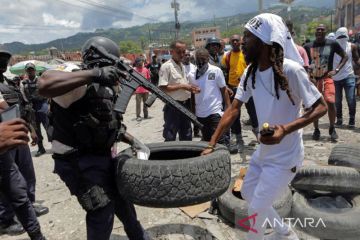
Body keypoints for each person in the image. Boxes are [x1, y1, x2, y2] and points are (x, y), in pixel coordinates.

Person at [202, 13, 327, 240]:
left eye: (248, 37)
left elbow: (321, 107)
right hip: (263, 152)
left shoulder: (291, 70)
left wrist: (285, 129)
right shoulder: (250, 73)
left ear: (264, 41)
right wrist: (211, 143)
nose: (242, 41)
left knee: (254, 212)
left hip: (286, 158)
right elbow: (232, 109)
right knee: (248, 192)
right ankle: (284, 232)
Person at [37, 36, 148, 240]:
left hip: (103, 156)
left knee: (125, 204)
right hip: (76, 160)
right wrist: (94, 74)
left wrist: (133, 140)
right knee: (101, 209)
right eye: (109, 65)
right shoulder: (76, 78)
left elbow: (108, 123)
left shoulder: (107, 87)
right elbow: (43, 84)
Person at [0, 50, 48, 238]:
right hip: (3, 139)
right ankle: (6, 219)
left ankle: (29, 203)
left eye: (5, 62)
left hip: (17, 131)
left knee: (27, 172)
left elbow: (23, 105)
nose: (3, 65)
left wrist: (32, 129)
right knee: (9, 181)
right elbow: (5, 106)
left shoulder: (10, 83)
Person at [304, 24, 348, 141]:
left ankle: (332, 127)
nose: (319, 31)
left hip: (327, 78)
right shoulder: (308, 46)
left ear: (325, 32)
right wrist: (308, 75)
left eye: (322, 30)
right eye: (317, 29)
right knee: (315, 105)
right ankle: (316, 129)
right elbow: (304, 63)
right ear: (315, 32)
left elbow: (345, 56)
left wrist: (336, 70)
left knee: (330, 101)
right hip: (313, 79)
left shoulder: (332, 44)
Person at [222, 34, 259, 152]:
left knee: (253, 112)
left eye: (237, 41)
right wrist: (227, 87)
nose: (235, 42)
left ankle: (258, 134)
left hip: (248, 88)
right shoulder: (227, 57)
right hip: (233, 89)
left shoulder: (246, 54)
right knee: (235, 114)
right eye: (232, 41)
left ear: (241, 41)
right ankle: (238, 137)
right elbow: (225, 72)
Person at [158, 40, 200, 141]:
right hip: (173, 106)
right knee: (170, 136)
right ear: (171, 52)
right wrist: (182, 86)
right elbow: (162, 88)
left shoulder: (182, 66)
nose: (182, 54)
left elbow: (183, 84)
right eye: (179, 52)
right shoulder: (166, 66)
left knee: (186, 134)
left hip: (186, 105)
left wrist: (191, 88)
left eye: (183, 51)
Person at [188, 48, 230, 142]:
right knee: (207, 141)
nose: (200, 62)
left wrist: (228, 107)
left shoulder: (216, 71)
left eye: (203, 59)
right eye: (198, 59)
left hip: (215, 112)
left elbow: (224, 90)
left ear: (207, 59)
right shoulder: (191, 75)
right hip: (200, 114)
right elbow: (192, 96)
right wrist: (193, 112)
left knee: (219, 140)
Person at [332, 27, 360, 128]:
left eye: (344, 36)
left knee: (351, 99)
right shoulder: (332, 46)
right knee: (338, 100)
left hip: (349, 75)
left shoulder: (352, 46)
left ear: (347, 36)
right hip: (335, 78)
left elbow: (357, 60)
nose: (342, 38)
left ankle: (351, 119)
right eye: (340, 36)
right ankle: (339, 119)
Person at [20, 63, 49, 156]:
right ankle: (41, 148)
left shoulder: (41, 80)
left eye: (31, 69)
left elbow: (47, 91)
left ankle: (56, 146)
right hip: (31, 106)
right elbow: (23, 94)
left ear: (35, 70)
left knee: (48, 126)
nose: (30, 71)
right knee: (36, 129)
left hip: (42, 104)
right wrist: (27, 105)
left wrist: (48, 103)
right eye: (28, 70)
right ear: (26, 71)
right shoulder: (23, 83)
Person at [183, 50, 200, 138]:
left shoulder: (194, 67)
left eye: (188, 55)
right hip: (184, 94)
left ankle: (196, 131)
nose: (187, 56)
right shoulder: (180, 67)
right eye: (185, 55)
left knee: (195, 112)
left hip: (193, 94)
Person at [134, 57, 151, 121]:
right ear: (137, 63)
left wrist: (149, 87)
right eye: (140, 63)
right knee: (138, 104)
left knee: (146, 103)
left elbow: (148, 79)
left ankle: (146, 115)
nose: (141, 64)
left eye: (142, 62)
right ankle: (138, 116)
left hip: (145, 89)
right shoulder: (134, 70)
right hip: (138, 90)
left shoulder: (146, 70)